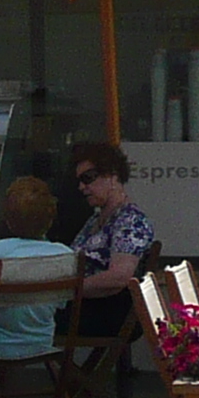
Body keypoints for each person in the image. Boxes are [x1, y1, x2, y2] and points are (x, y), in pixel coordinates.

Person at [0, 173, 78, 366]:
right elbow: (61, 304)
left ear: (7, 220)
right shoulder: (65, 256)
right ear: (50, 219)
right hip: (41, 344)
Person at [65, 142, 156, 342]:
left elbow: (119, 277)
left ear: (113, 176)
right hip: (84, 306)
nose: (82, 187)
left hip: (106, 312)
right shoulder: (96, 220)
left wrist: (64, 290)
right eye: (79, 180)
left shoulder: (130, 220)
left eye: (88, 178)